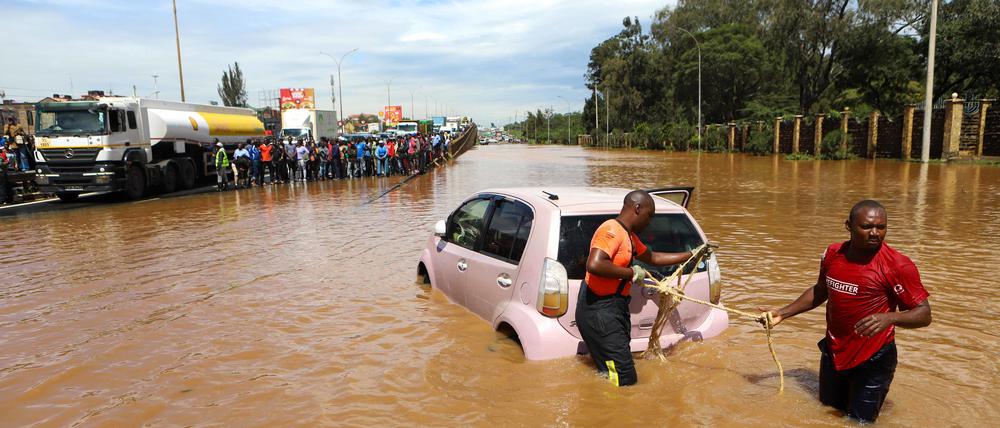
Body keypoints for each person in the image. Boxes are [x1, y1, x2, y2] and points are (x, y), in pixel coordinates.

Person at [759, 200, 932, 423]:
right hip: (834, 352)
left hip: (873, 358)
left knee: (859, 422)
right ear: (849, 226)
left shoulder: (898, 265)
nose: (875, 233)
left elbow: (924, 314)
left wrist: (891, 317)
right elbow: (821, 290)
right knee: (826, 414)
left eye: (881, 227)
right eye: (867, 226)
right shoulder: (832, 254)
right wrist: (783, 313)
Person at [576, 190, 693, 387]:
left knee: (611, 369)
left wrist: (691, 254)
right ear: (637, 208)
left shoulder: (628, 236)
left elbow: (653, 258)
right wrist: (631, 273)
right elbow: (594, 264)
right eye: (649, 216)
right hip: (599, 310)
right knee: (624, 377)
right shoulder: (611, 230)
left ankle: (604, 401)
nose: (650, 222)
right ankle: (612, 411)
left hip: (614, 309)